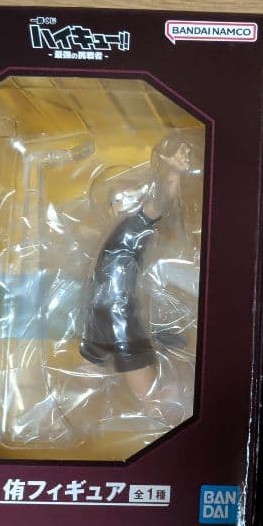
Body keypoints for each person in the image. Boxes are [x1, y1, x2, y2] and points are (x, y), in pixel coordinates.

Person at [79, 131, 199, 405]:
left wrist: (172, 173)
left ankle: (68, 405)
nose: (125, 201)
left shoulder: (126, 231)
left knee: (93, 373)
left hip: (106, 306)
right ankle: (155, 406)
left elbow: (157, 205)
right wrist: (171, 172)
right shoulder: (126, 229)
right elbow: (156, 204)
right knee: (144, 391)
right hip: (114, 309)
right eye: (117, 199)